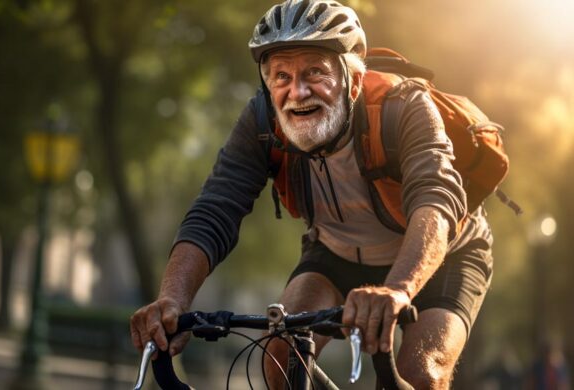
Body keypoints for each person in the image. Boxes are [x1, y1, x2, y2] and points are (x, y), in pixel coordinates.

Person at [130, 0, 494, 388]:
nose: (297, 92)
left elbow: (435, 202)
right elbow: (216, 208)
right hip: (335, 252)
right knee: (280, 355)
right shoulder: (261, 121)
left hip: (441, 255)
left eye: (315, 72)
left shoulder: (403, 106)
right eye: (281, 76)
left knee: (418, 374)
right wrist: (172, 299)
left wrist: (397, 289)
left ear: (353, 80)